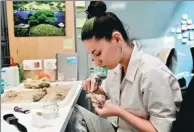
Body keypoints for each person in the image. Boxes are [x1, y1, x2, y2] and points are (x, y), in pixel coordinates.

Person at [65, 1, 182, 132]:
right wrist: (98, 90)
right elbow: (109, 92)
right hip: (117, 128)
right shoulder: (117, 67)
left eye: (98, 53)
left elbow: (160, 129)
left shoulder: (152, 73)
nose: (97, 62)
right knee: (72, 112)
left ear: (117, 39)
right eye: (93, 57)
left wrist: (119, 112)